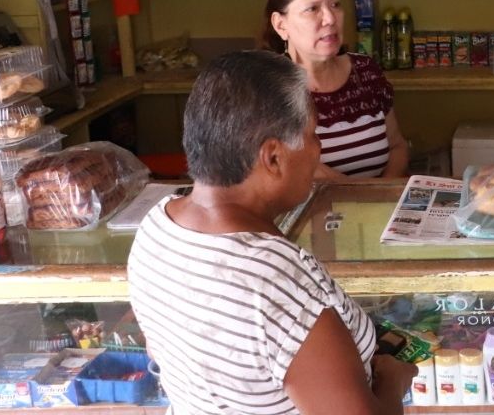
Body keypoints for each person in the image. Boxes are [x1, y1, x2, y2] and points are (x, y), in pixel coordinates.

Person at [128, 51, 417, 414]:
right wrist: (392, 380)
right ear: (273, 158)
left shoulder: (155, 229)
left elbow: (166, 350)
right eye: (312, 135)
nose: (318, 150)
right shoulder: (275, 278)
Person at [264, 0, 408, 178]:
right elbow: (302, 169)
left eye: (335, 5)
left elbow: (398, 146)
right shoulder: (269, 91)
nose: (330, 19)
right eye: (312, 9)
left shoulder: (365, 72)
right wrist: (364, 199)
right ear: (280, 25)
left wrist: (382, 196)